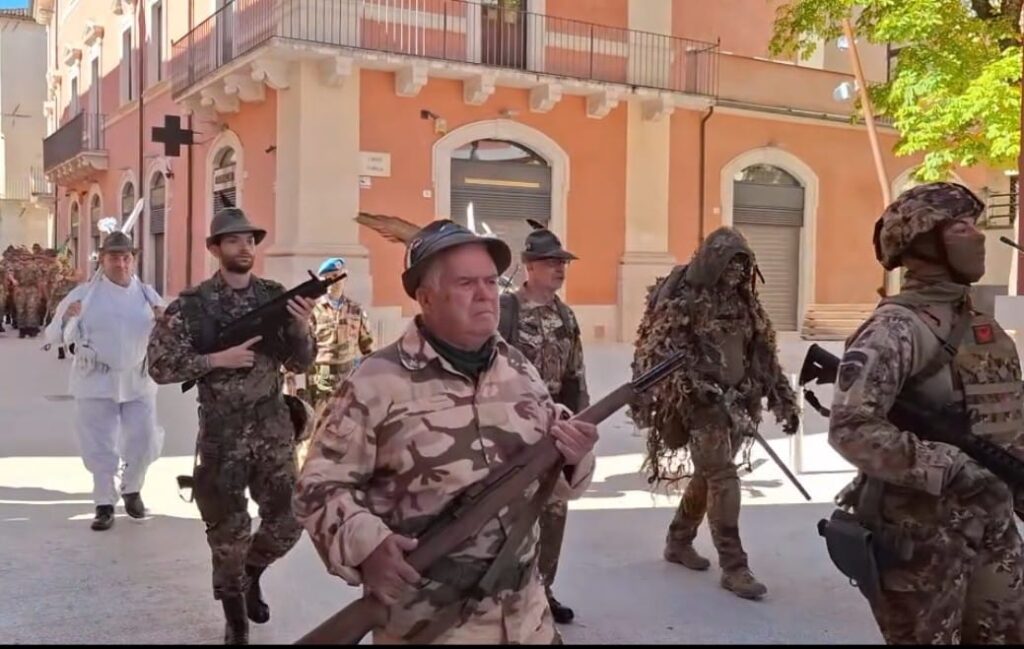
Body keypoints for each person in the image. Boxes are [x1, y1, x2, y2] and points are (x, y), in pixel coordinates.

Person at [293, 219, 598, 644]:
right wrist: (369, 546)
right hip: (431, 627)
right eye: (465, 283)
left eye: (490, 281)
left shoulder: (520, 370)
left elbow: (552, 482)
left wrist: (575, 456)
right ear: (425, 296)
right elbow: (317, 489)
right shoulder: (374, 383)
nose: (485, 294)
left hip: (528, 622)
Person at [827, 182, 1024, 643]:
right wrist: (949, 466)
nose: (977, 237)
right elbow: (851, 427)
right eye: (961, 226)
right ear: (924, 241)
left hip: (993, 528)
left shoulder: (984, 327)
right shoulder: (895, 328)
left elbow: (1004, 420)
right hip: (922, 540)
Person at [146, 207, 316, 645]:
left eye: (251, 240)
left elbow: (301, 360)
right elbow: (159, 367)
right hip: (222, 435)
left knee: (291, 518)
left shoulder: (274, 295)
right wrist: (214, 360)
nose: (245, 247)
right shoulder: (192, 306)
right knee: (227, 533)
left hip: (274, 428)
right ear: (215, 249)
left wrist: (300, 325)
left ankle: (250, 575)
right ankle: (235, 619)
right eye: (235, 240)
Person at [630, 227, 800, 600]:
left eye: (743, 265)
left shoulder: (745, 305)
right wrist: (700, 388)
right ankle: (735, 566)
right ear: (713, 263)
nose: (737, 273)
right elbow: (661, 355)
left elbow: (764, 355)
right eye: (730, 264)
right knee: (723, 475)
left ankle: (678, 540)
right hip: (700, 407)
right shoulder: (685, 302)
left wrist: (783, 399)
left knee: (708, 477)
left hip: (738, 403)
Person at [497, 223, 588, 624]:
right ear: (529, 266)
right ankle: (504, 595)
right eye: (551, 262)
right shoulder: (506, 311)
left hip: (555, 428)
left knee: (553, 512)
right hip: (512, 429)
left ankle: (543, 591)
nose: (559, 268)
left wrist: (580, 431)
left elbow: (575, 376)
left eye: (562, 262)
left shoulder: (566, 317)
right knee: (511, 517)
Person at [44, 231, 165, 531]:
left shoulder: (148, 295)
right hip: (94, 378)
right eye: (114, 257)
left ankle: (132, 487)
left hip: (138, 378)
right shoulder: (83, 295)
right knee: (98, 443)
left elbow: (170, 332)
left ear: (133, 260)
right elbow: (53, 337)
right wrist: (66, 319)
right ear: (103, 260)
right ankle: (103, 503)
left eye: (126, 257)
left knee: (144, 438)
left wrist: (165, 320)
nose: (121, 263)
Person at [306, 257, 373, 409]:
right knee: (320, 426)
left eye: (336, 277)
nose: (332, 282)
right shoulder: (313, 311)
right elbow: (302, 346)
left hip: (348, 378)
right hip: (320, 381)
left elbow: (368, 348)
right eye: (327, 278)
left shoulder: (356, 310)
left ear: (344, 278)